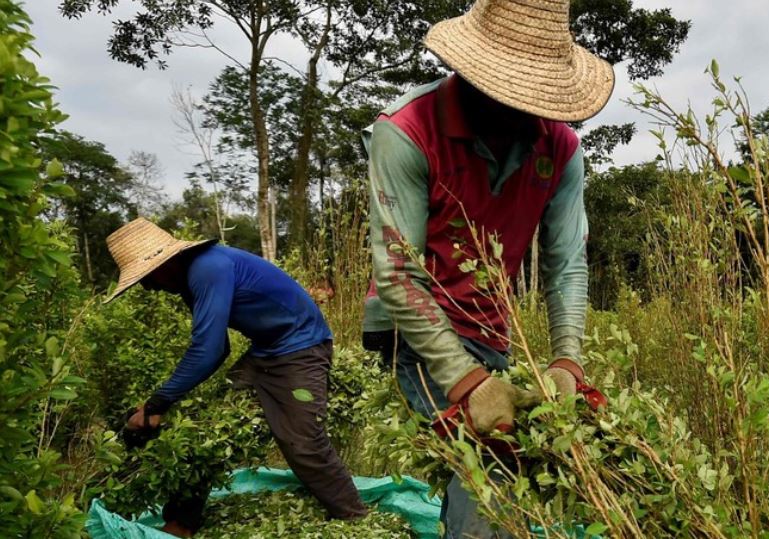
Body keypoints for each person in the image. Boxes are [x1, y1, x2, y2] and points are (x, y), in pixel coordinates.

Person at [362, 0, 614, 536]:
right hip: (413, 320)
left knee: (518, 454)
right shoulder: (407, 131)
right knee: (488, 465)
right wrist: (465, 381)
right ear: (470, 70)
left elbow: (567, 263)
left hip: (487, 322)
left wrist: (567, 362)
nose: (520, 108)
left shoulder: (561, 148)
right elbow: (399, 273)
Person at [104, 218, 367, 537]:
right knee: (206, 430)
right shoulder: (190, 279)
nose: (148, 286)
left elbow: (209, 349)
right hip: (264, 352)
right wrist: (161, 403)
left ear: (165, 262)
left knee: (303, 443)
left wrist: (157, 402)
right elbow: (219, 348)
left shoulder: (207, 268)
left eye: (147, 277)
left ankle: (355, 520)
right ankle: (181, 523)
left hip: (302, 348)